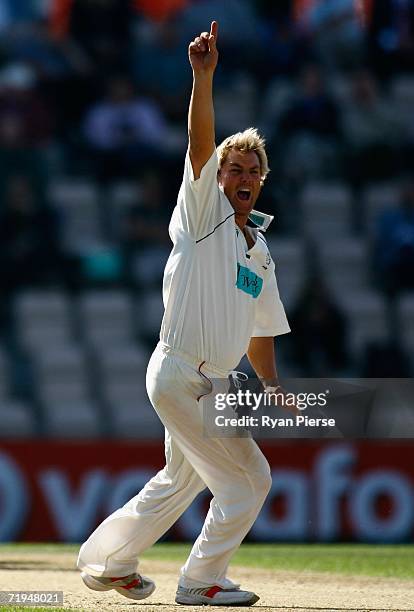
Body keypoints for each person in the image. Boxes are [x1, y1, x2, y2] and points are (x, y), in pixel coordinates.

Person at [77, 21, 290, 606]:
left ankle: (108, 561)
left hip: (214, 387)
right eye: (234, 169)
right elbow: (199, 144)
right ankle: (200, 582)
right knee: (246, 486)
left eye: (253, 172)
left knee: (180, 480)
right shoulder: (204, 217)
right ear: (217, 179)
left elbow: (261, 332)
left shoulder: (261, 251)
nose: (243, 178)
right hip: (178, 374)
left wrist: (272, 388)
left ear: (262, 183)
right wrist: (202, 77)